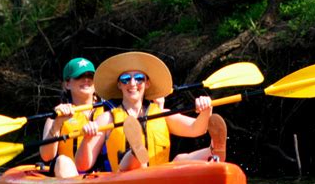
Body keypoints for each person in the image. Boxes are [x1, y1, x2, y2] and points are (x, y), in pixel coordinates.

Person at [76, 52, 227, 173]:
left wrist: (206, 110)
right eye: (126, 79)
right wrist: (87, 140)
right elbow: (83, 166)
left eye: (139, 78)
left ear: (147, 83)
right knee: (132, 163)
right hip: (124, 178)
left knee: (180, 159)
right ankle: (137, 152)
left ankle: (215, 148)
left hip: (159, 177)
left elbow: (196, 129)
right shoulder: (107, 119)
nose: (133, 83)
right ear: (119, 85)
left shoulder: (162, 114)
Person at [40, 57, 108, 177]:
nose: (86, 80)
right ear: (67, 84)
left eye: (90, 76)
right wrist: (57, 125)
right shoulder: (57, 114)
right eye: (79, 77)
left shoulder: (109, 111)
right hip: (69, 174)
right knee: (62, 161)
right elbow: (46, 156)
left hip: (103, 176)